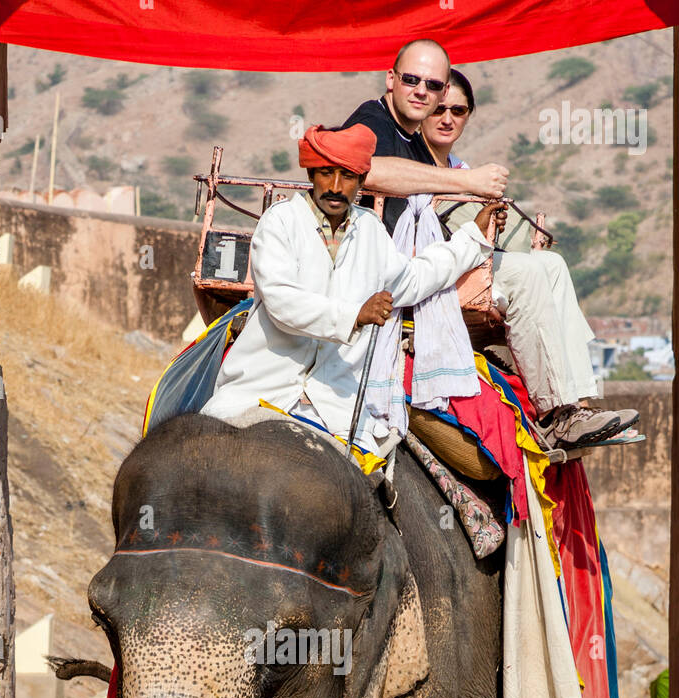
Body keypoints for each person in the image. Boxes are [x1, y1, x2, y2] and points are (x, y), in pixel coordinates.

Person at [201, 122, 498, 458]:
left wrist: (472, 236)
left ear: (361, 181)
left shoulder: (370, 229)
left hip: (334, 407)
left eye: (348, 176)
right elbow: (282, 302)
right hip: (258, 390)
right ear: (312, 174)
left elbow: (413, 280)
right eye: (326, 173)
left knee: (372, 490)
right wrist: (355, 316)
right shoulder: (280, 221)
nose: (336, 187)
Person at [421, 70, 639, 448]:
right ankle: (555, 412)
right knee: (524, 273)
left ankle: (578, 402)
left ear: (468, 115)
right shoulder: (412, 164)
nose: (447, 118)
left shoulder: (461, 169)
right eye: (440, 109)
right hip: (433, 270)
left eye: (458, 110)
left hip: (468, 263)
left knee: (551, 265)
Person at [340, 38, 509, 234]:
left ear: (444, 92)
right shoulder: (372, 119)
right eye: (411, 80)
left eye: (433, 85)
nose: (421, 91)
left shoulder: (417, 147)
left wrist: (481, 219)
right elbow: (368, 170)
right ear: (390, 79)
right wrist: (470, 179)